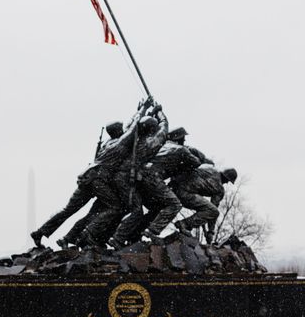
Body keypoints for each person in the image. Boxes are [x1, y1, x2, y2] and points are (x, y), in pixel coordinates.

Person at [31, 98, 152, 248]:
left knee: (68, 210)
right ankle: (86, 234)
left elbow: (130, 127)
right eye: (121, 128)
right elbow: (133, 128)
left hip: (87, 177)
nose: (123, 129)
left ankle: (41, 232)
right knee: (115, 208)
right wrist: (144, 109)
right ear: (118, 131)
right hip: (99, 180)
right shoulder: (119, 144)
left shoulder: (108, 143)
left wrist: (139, 110)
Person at [109, 105, 182, 248]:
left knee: (143, 208)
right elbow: (164, 126)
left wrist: (144, 111)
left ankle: (127, 237)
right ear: (152, 129)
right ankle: (143, 232)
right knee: (173, 204)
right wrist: (160, 112)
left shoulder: (131, 140)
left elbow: (132, 124)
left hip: (125, 177)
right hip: (130, 178)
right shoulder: (152, 142)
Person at [170, 167, 237, 244]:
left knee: (206, 208)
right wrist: (211, 231)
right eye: (228, 181)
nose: (227, 183)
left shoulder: (210, 170)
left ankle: (187, 227)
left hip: (175, 188)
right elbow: (213, 211)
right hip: (185, 194)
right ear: (226, 178)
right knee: (213, 211)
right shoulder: (220, 189)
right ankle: (184, 224)